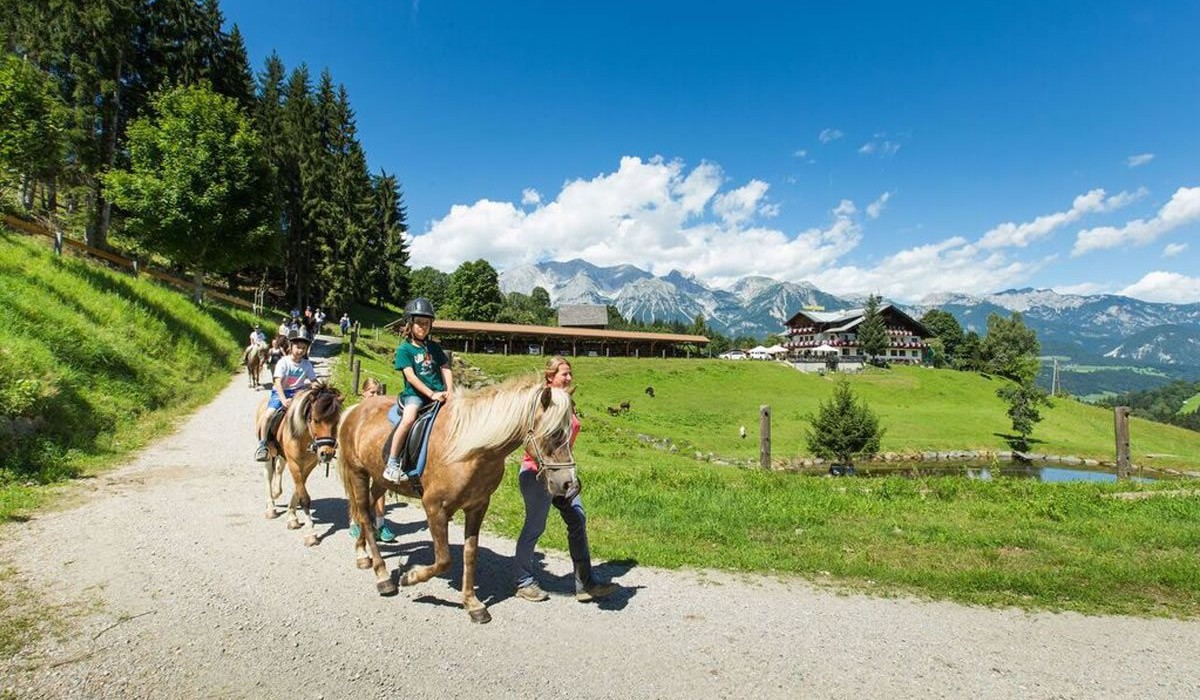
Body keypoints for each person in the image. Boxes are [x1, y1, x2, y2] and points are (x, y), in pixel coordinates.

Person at [513, 356, 618, 603]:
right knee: (535, 526)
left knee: (578, 519)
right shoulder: (542, 401)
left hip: (564, 473)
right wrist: (543, 464)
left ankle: (585, 583)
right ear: (550, 376)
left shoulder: (566, 400)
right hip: (537, 473)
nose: (569, 378)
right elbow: (527, 438)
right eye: (564, 374)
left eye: (570, 373)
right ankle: (522, 581)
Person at [382, 298, 452, 483]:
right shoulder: (404, 349)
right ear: (410, 324)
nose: (423, 327)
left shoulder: (434, 347)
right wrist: (430, 394)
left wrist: (450, 391)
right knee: (409, 419)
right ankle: (392, 463)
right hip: (416, 396)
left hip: (439, 393)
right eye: (419, 323)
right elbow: (411, 377)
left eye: (427, 323)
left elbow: (445, 367)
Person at [254, 328, 317, 462]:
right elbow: (277, 382)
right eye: (297, 347)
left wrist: (320, 387)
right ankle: (263, 444)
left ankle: (313, 442)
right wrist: (283, 400)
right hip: (280, 392)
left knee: (313, 414)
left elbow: (313, 381)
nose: (300, 350)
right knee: (268, 415)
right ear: (290, 346)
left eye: (303, 348)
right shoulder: (284, 362)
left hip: (298, 394)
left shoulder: (306, 364)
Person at [349, 378, 397, 542]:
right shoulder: (355, 411)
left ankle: (380, 523)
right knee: (358, 489)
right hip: (358, 455)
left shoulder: (382, 413)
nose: (375, 395)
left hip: (375, 455)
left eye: (378, 392)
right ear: (364, 393)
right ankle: (355, 521)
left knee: (381, 486)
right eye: (372, 392)